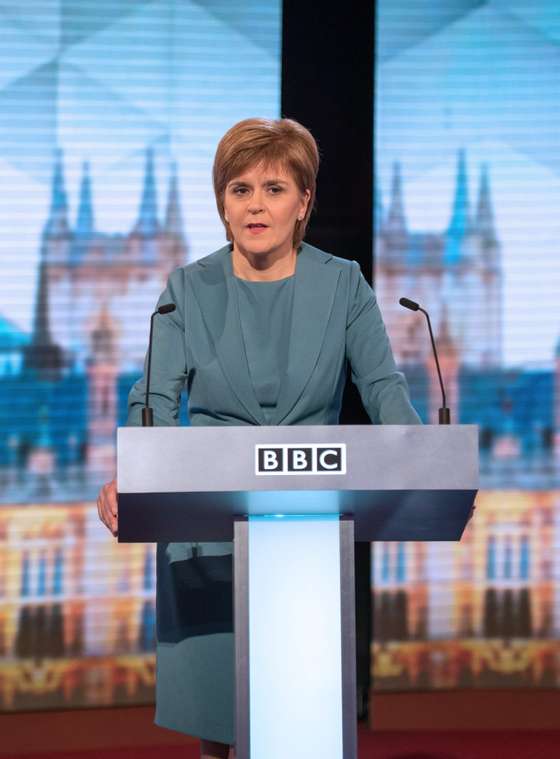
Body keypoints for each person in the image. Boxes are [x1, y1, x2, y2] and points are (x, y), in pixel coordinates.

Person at [97, 117, 421, 758]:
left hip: (306, 523)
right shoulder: (185, 292)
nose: (255, 205)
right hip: (208, 531)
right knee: (224, 727)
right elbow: (154, 401)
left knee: (302, 726)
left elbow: (383, 387)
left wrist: (421, 458)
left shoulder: (343, 285)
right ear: (222, 202)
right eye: (240, 188)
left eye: (274, 189)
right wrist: (131, 469)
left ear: (303, 203)